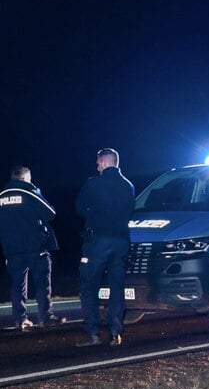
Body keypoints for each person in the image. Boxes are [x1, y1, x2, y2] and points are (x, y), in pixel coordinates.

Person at [75, 148, 135, 347]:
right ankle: (116, 332)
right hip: (120, 242)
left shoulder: (93, 183)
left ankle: (93, 333)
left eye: (98, 162)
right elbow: (130, 211)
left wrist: (95, 214)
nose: (97, 166)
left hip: (97, 242)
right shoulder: (128, 186)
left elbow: (80, 208)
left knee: (89, 286)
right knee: (117, 288)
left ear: (104, 162)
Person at [0, 166, 67, 330]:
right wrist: (36, 191)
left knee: (17, 285)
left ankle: (19, 319)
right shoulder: (29, 192)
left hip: (12, 248)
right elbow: (50, 212)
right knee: (42, 283)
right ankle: (45, 317)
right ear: (24, 179)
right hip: (35, 247)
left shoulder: (2, 196)